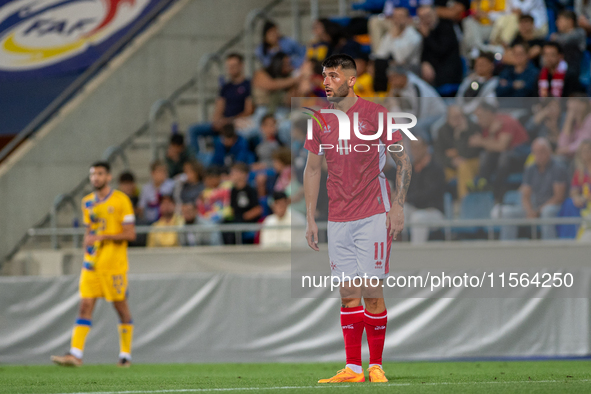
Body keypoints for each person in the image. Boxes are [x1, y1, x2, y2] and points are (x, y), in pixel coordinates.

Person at [304, 54, 412, 383]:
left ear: (351, 81)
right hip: (337, 217)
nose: (326, 82)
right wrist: (310, 218)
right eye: (324, 75)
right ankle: (353, 368)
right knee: (348, 292)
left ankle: (376, 365)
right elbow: (312, 168)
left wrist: (398, 205)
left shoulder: (376, 115)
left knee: (372, 291)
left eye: (334, 76)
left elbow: (403, 161)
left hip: (372, 214)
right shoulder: (320, 120)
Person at [51, 162, 136, 367]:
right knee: (85, 306)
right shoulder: (87, 202)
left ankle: (125, 355)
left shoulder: (121, 200)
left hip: (113, 265)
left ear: (109, 177)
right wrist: (88, 242)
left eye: (100, 174)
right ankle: (75, 354)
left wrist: (101, 236)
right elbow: (90, 231)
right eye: (92, 174)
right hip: (91, 265)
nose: (95, 178)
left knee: (121, 308)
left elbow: (130, 233)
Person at [491, 138, 567, 239]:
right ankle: (507, 249)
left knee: (547, 212)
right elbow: (525, 195)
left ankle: (549, 248)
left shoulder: (558, 168)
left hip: (554, 206)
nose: (538, 155)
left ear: (549, 152)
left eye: (542, 151)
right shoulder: (530, 169)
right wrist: (529, 211)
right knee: (508, 213)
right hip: (534, 206)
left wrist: (538, 211)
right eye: (535, 152)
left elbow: (558, 197)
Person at [187, 53, 254, 153]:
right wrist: (217, 122)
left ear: (241, 65)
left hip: (239, 121)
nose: (231, 69)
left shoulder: (248, 85)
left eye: (234, 66)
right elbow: (219, 108)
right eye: (229, 66)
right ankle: (196, 161)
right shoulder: (225, 88)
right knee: (193, 130)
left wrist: (229, 121)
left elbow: (249, 110)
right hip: (224, 122)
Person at [470, 102, 530, 202]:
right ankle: (483, 186)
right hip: (503, 159)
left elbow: (502, 147)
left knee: (504, 157)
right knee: (485, 155)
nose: (478, 121)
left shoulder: (505, 121)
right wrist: (492, 134)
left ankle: (498, 195)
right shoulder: (487, 127)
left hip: (521, 155)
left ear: (489, 113)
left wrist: (481, 141)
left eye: (480, 116)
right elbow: (490, 148)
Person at [404, 137, 446, 243]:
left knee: (418, 218)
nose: (415, 151)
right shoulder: (411, 169)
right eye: (412, 148)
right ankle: (394, 248)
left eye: (417, 147)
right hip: (415, 208)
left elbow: (429, 193)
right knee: (397, 211)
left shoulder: (436, 168)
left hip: (433, 211)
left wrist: (408, 197)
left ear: (425, 148)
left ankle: (416, 254)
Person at [434, 106, 482, 199]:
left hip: (473, 164)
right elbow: (437, 155)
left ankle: (465, 202)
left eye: (460, 116)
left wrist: (459, 136)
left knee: (463, 166)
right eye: (454, 117)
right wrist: (451, 161)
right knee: (435, 173)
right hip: (452, 166)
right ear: (448, 119)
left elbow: (468, 154)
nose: (458, 120)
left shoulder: (472, 128)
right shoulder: (443, 131)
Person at [417, 5, 464, 89]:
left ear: (434, 13)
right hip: (433, 69)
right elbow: (424, 52)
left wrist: (427, 36)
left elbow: (441, 51)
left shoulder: (446, 27)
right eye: (422, 17)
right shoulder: (426, 30)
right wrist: (424, 63)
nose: (426, 20)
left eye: (428, 15)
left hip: (448, 70)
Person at [374, 7, 423, 72]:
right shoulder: (390, 33)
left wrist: (395, 37)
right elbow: (380, 54)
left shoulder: (415, 37)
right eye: (395, 17)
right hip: (392, 68)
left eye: (400, 16)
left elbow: (400, 58)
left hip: (409, 70)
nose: (397, 20)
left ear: (408, 19)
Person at [226, 162, 262, 244]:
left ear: (243, 174)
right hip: (236, 219)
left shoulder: (250, 190)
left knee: (233, 231)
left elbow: (257, 209)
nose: (232, 175)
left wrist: (243, 217)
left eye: (234, 173)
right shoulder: (233, 191)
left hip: (247, 221)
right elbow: (232, 208)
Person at [550, 10, 587, 76]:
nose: (556, 23)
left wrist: (556, 39)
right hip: (560, 67)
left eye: (560, 20)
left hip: (576, 67)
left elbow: (567, 40)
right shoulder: (558, 35)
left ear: (570, 21)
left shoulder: (580, 32)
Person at [557, 94, 591, 158]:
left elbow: (584, 143)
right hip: (574, 158)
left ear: (583, 105)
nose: (570, 104)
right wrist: (568, 120)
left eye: (574, 101)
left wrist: (566, 150)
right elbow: (562, 145)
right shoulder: (573, 123)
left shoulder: (589, 119)